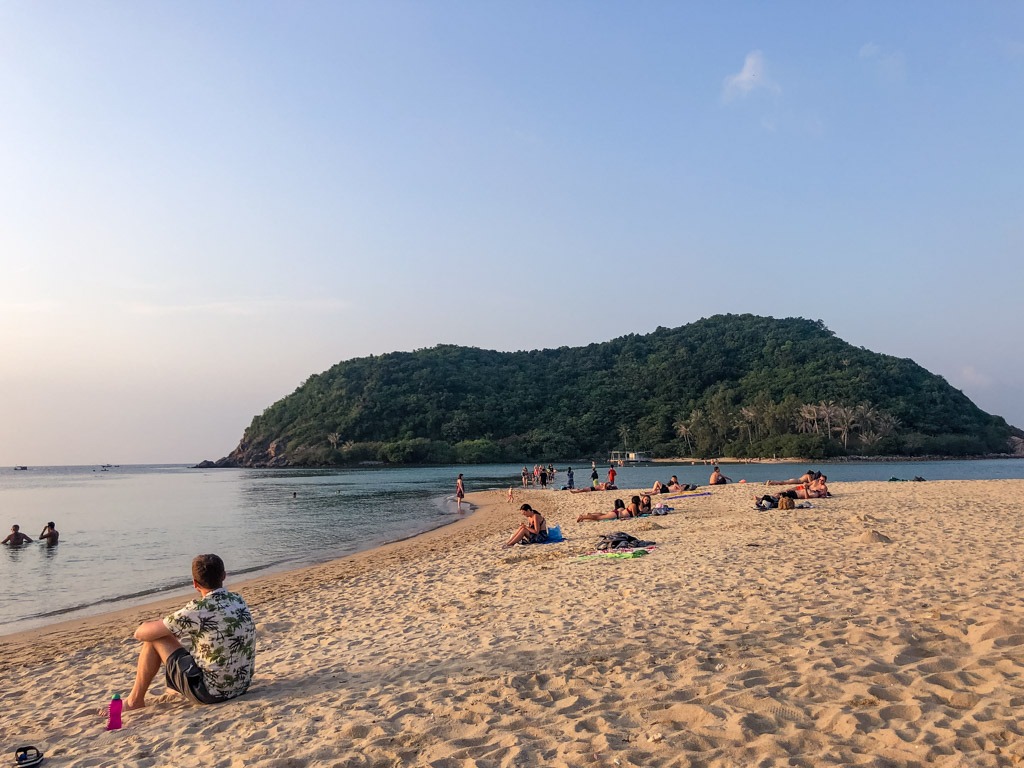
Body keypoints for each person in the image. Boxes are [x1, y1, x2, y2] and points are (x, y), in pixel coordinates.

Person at [120, 554, 255, 711]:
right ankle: (171, 686)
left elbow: (140, 634)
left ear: (195, 584)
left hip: (211, 693)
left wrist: (150, 625)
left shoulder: (197, 610)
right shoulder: (237, 599)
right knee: (172, 635)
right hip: (241, 686)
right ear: (224, 576)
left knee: (154, 639)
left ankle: (134, 701)